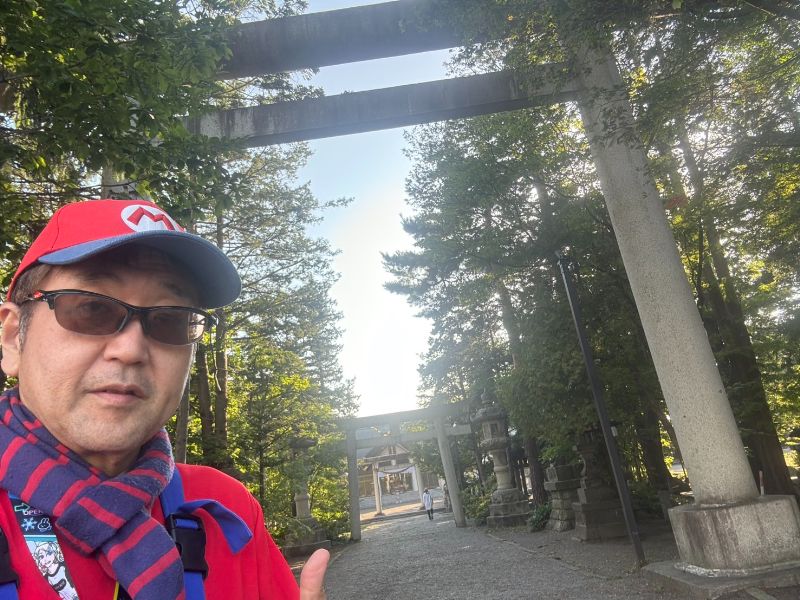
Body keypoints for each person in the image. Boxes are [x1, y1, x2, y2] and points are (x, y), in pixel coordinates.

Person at [0, 199, 329, 599]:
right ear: (12, 338)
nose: (131, 349)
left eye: (171, 319)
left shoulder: (225, 510)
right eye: (91, 308)